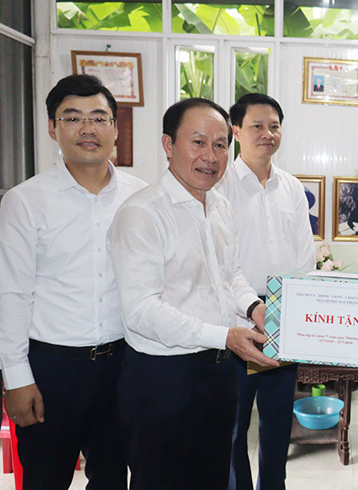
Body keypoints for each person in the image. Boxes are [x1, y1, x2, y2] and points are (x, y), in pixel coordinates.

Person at [108, 98, 278, 490]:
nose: (211, 156)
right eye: (198, 142)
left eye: (220, 144)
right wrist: (225, 336)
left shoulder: (219, 206)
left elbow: (229, 272)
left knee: (214, 476)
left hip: (218, 374)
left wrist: (253, 307)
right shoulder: (142, 213)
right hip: (162, 380)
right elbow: (141, 311)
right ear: (168, 145)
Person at [0, 74, 146, 489]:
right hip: (51, 369)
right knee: (45, 479)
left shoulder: (139, 197)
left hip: (123, 364)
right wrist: (16, 378)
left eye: (99, 118)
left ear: (115, 129)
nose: (87, 129)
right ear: (52, 128)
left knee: (114, 479)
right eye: (72, 118)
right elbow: (10, 294)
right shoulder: (25, 201)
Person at [215, 93, 315, 490]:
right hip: (236, 319)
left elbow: (305, 256)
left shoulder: (290, 186)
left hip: (284, 319)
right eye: (257, 125)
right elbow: (222, 263)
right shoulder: (219, 184)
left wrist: (300, 313)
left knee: (277, 424)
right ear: (236, 130)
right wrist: (251, 307)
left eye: (274, 126)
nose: (267, 134)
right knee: (233, 426)